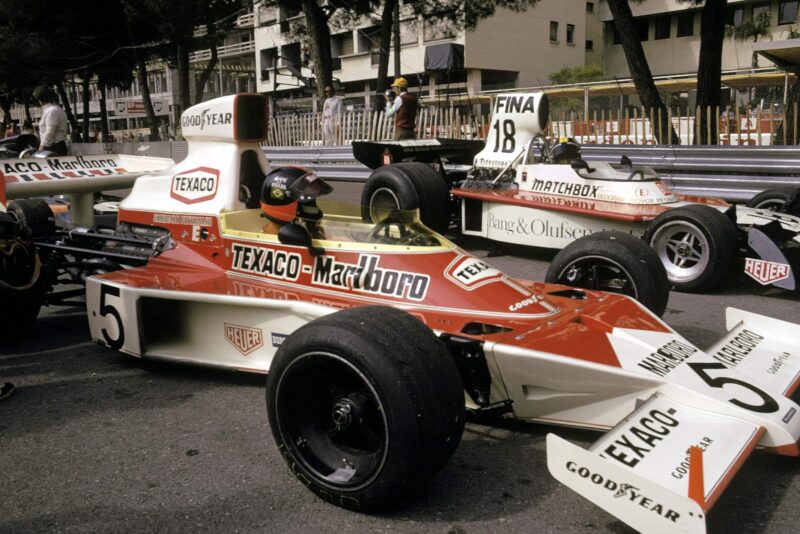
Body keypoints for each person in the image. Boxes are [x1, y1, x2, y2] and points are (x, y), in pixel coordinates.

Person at [260, 166, 332, 236]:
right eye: (306, 201)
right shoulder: (264, 241)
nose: (311, 207)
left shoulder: (313, 233)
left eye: (310, 201)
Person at [33, 86, 69, 156]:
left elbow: (50, 131)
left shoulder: (51, 111)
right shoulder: (57, 109)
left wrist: (42, 146)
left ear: (41, 99)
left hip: (53, 147)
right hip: (58, 145)